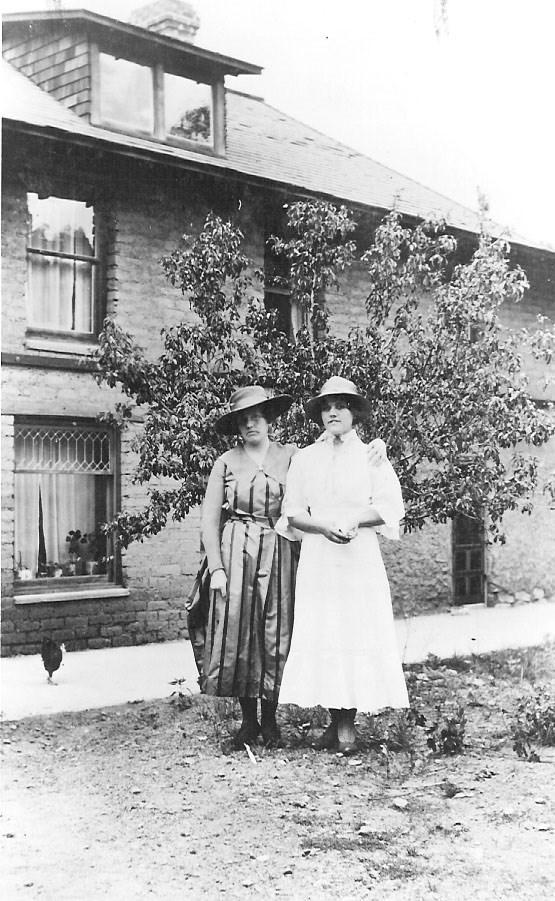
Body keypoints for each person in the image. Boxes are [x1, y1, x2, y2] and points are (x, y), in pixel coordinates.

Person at [200, 383, 387, 751]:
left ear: (269, 420)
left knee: (276, 631)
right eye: (243, 419)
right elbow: (209, 520)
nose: (251, 424)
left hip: (281, 549)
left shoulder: (292, 456)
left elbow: (333, 457)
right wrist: (217, 568)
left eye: (257, 416)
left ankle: (271, 722)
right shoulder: (225, 462)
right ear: (236, 425)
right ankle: (248, 721)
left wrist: (375, 448)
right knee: (239, 632)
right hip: (237, 550)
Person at [277, 376, 409, 754]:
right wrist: (322, 526)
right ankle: (336, 720)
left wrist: (353, 521)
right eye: (326, 406)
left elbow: (388, 507)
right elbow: (293, 513)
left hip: (358, 557)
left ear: (355, 413)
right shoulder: (305, 459)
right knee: (326, 631)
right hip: (320, 557)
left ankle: (347, 723)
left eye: (341, 405)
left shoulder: (371, 455)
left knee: (354, 629)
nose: (333, 412)